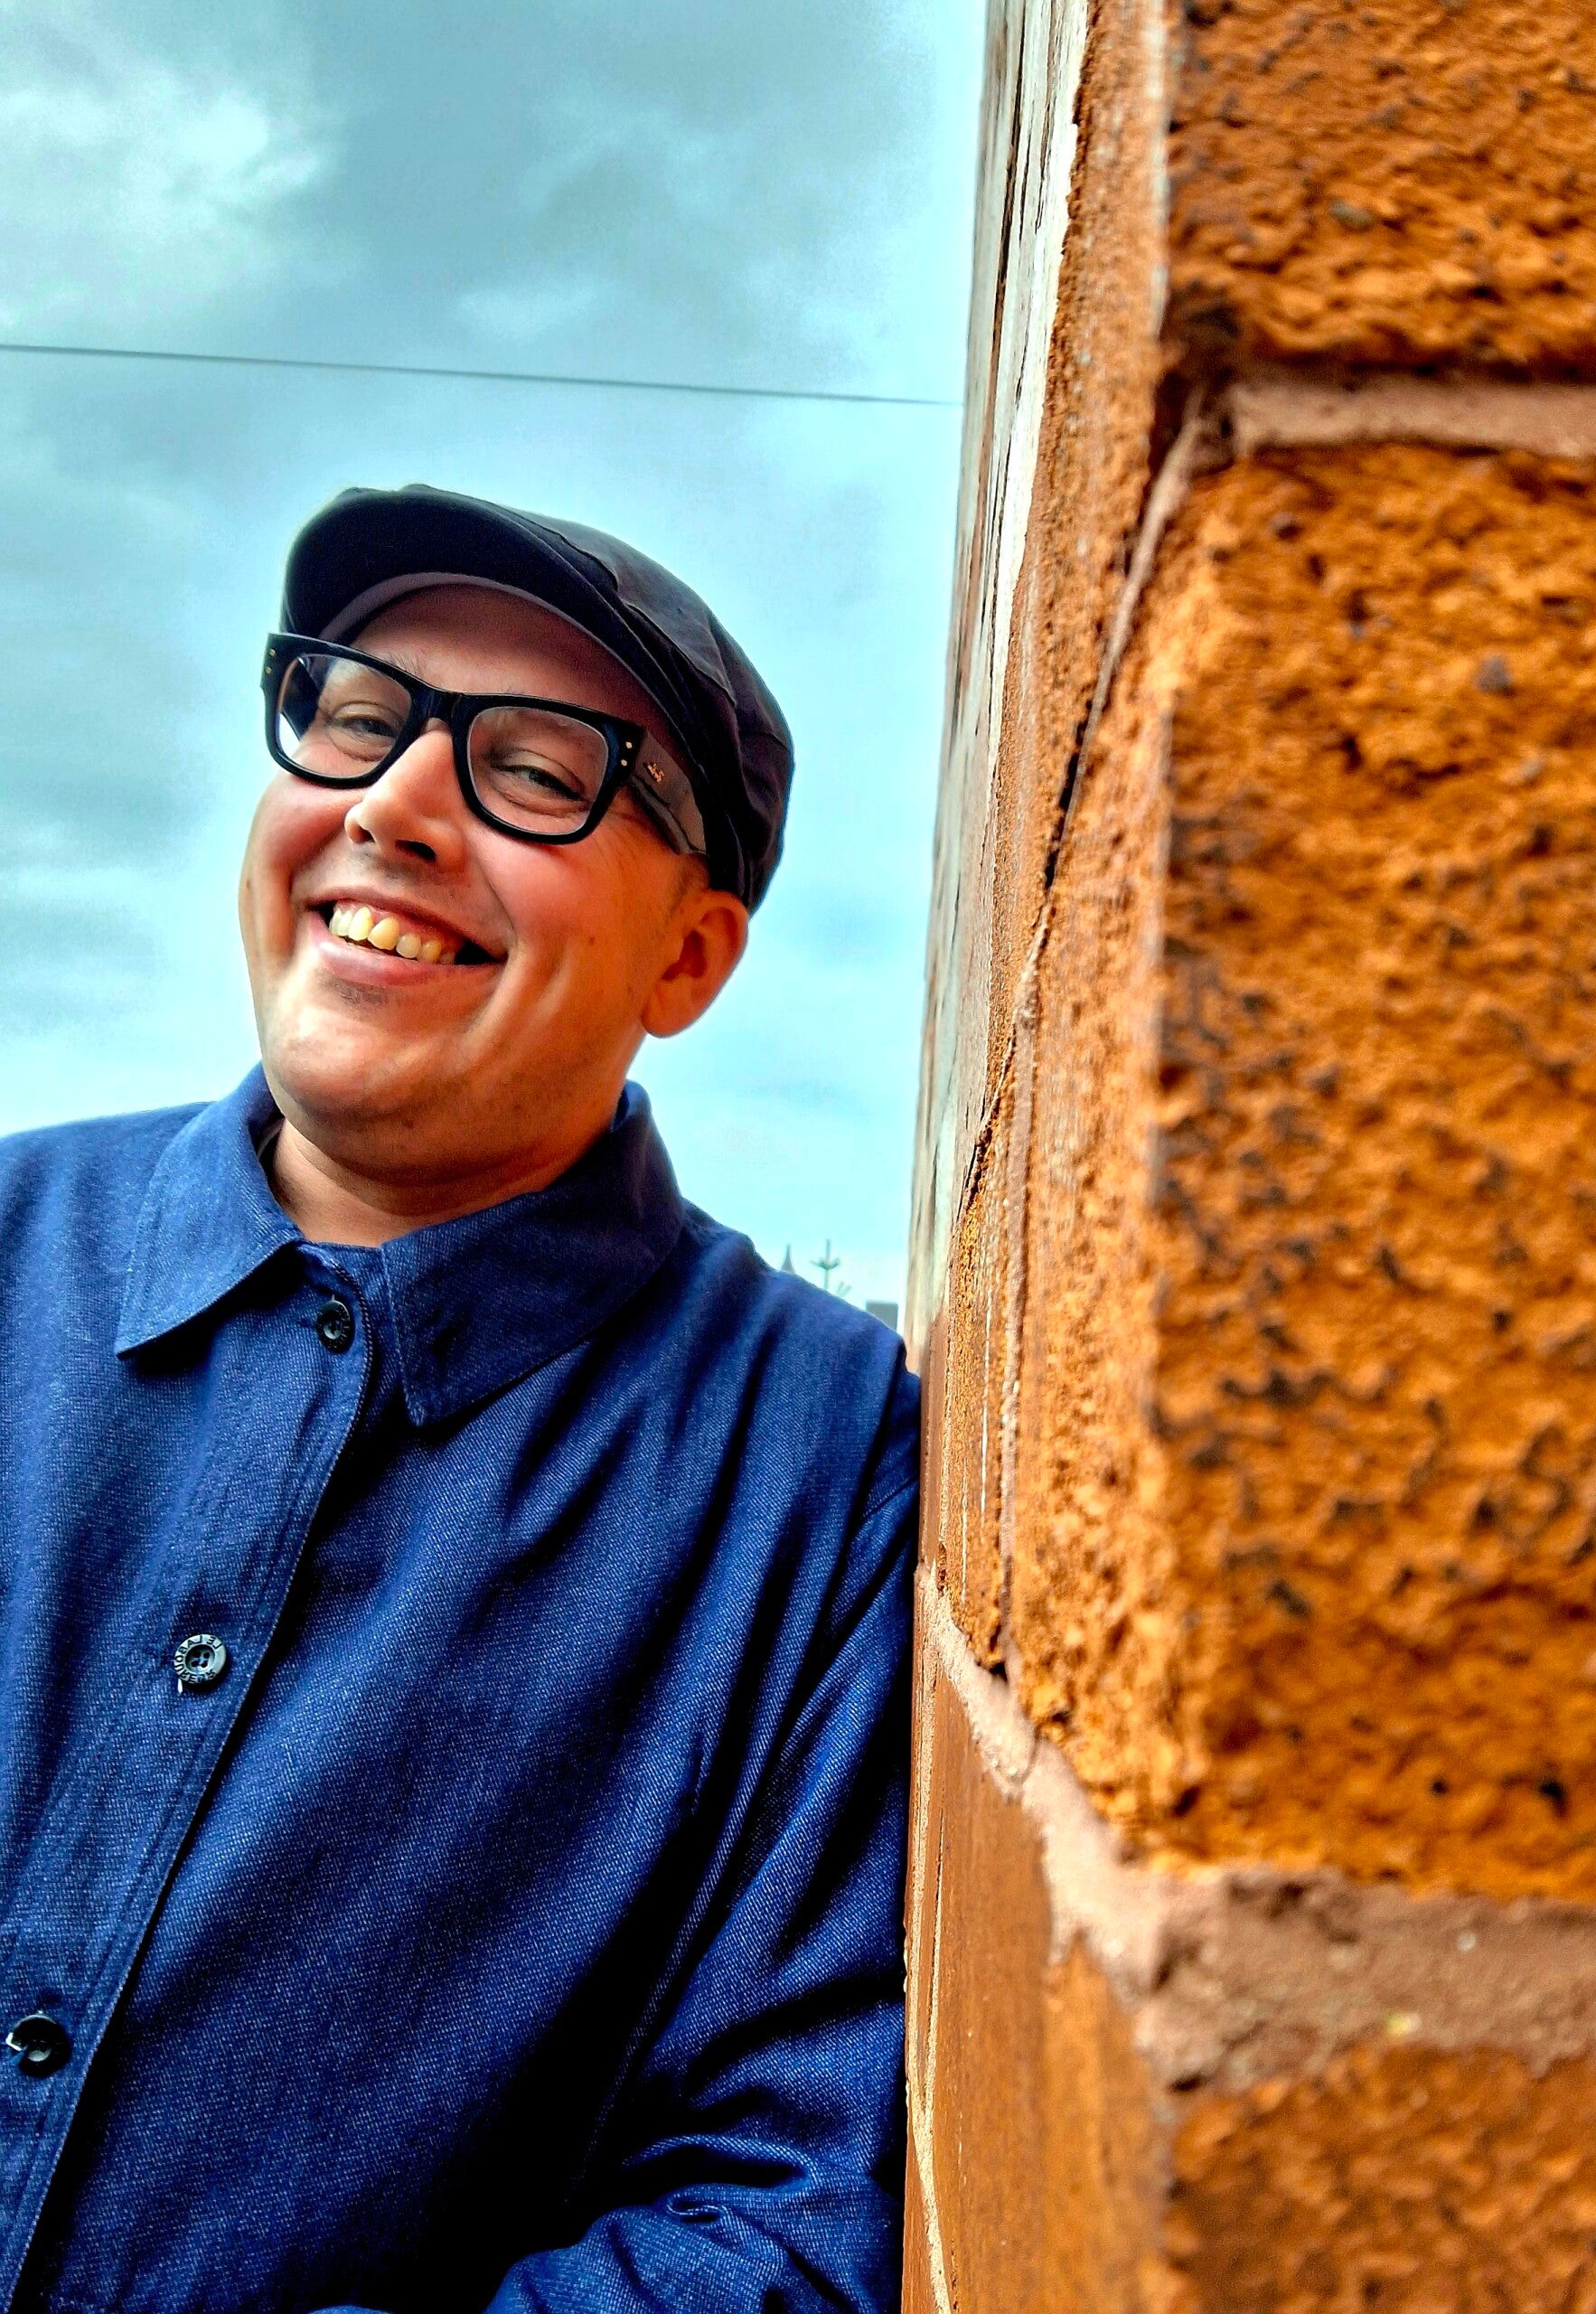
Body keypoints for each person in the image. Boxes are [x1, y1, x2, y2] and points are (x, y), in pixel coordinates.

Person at [0, 486, 916, 2314]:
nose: (395, 804)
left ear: (688, 959)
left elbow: (784, 2211)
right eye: (357, 715)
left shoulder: (819, 1467)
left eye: (538, 769)